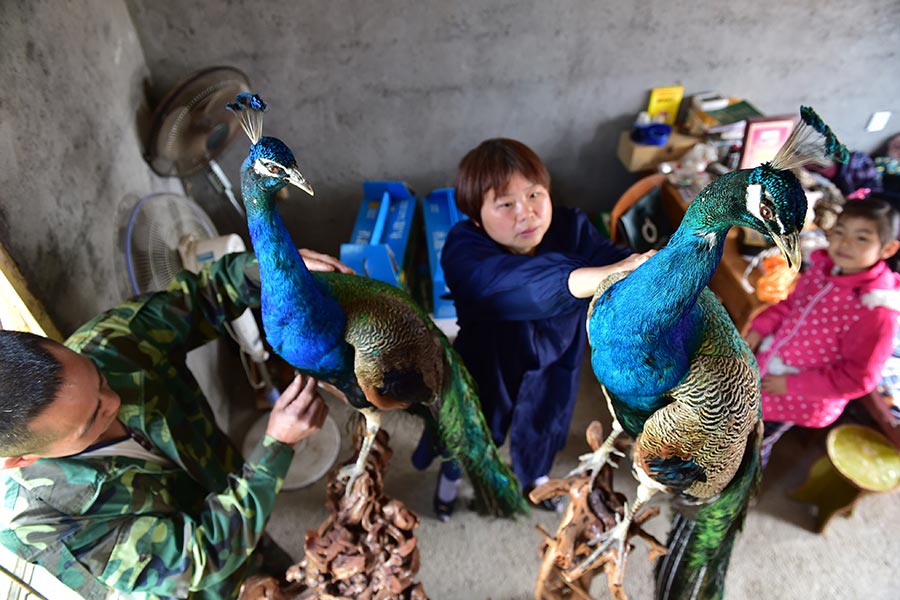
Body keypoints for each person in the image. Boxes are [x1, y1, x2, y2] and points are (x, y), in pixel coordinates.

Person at [0, 249, 351, 600]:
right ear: (23, 459)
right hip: (206, 588)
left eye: (100, 380)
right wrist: (276, 447)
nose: (116, 402)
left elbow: (203, 295)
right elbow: (198, 557)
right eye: (92, 419)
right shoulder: (44, 523)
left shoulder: (109, 344)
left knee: (300, 575)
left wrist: (269, 270)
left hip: (230, 492)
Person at [413, 138, 651, 518]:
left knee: (546, 420)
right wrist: (605, 276)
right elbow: (520, 284)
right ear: (476, 215)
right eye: (505, 204)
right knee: (469, 429)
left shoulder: (571, 226)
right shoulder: (463, 248)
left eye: (534, 194)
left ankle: (536, 480)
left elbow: (612, 257)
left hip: (558, 354)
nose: (526, 214)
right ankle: (450, 483)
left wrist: (642, 265)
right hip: (489, 360)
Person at [743, 198, 900, 467]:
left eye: (861, 238)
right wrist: (760, 329)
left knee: (756, 442)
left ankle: (737, 492)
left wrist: (790, 385)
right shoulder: (824, 269)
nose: (844, 243)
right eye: (839, 231)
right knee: (742, 426)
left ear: (887, 249)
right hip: (772, 363)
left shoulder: (876, 310)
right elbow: (792, 305)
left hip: (800, 394)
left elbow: (858, 379)